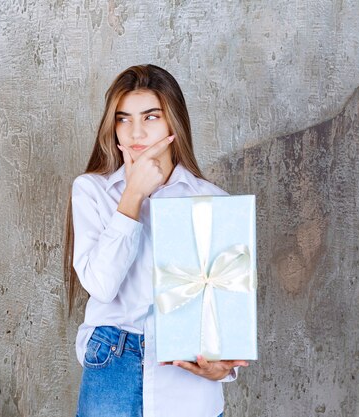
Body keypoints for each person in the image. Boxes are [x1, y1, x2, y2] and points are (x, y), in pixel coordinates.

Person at [63, 64, 249, 417]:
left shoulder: (215, 202)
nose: (136, 132)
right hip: (113, 365)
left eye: (150, 117)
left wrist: (222, 368)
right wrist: (132, 195)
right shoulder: (92, 191)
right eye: (123, 119)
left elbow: (227, 321)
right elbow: (102, 285)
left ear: (172, 123)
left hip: (187, 376)